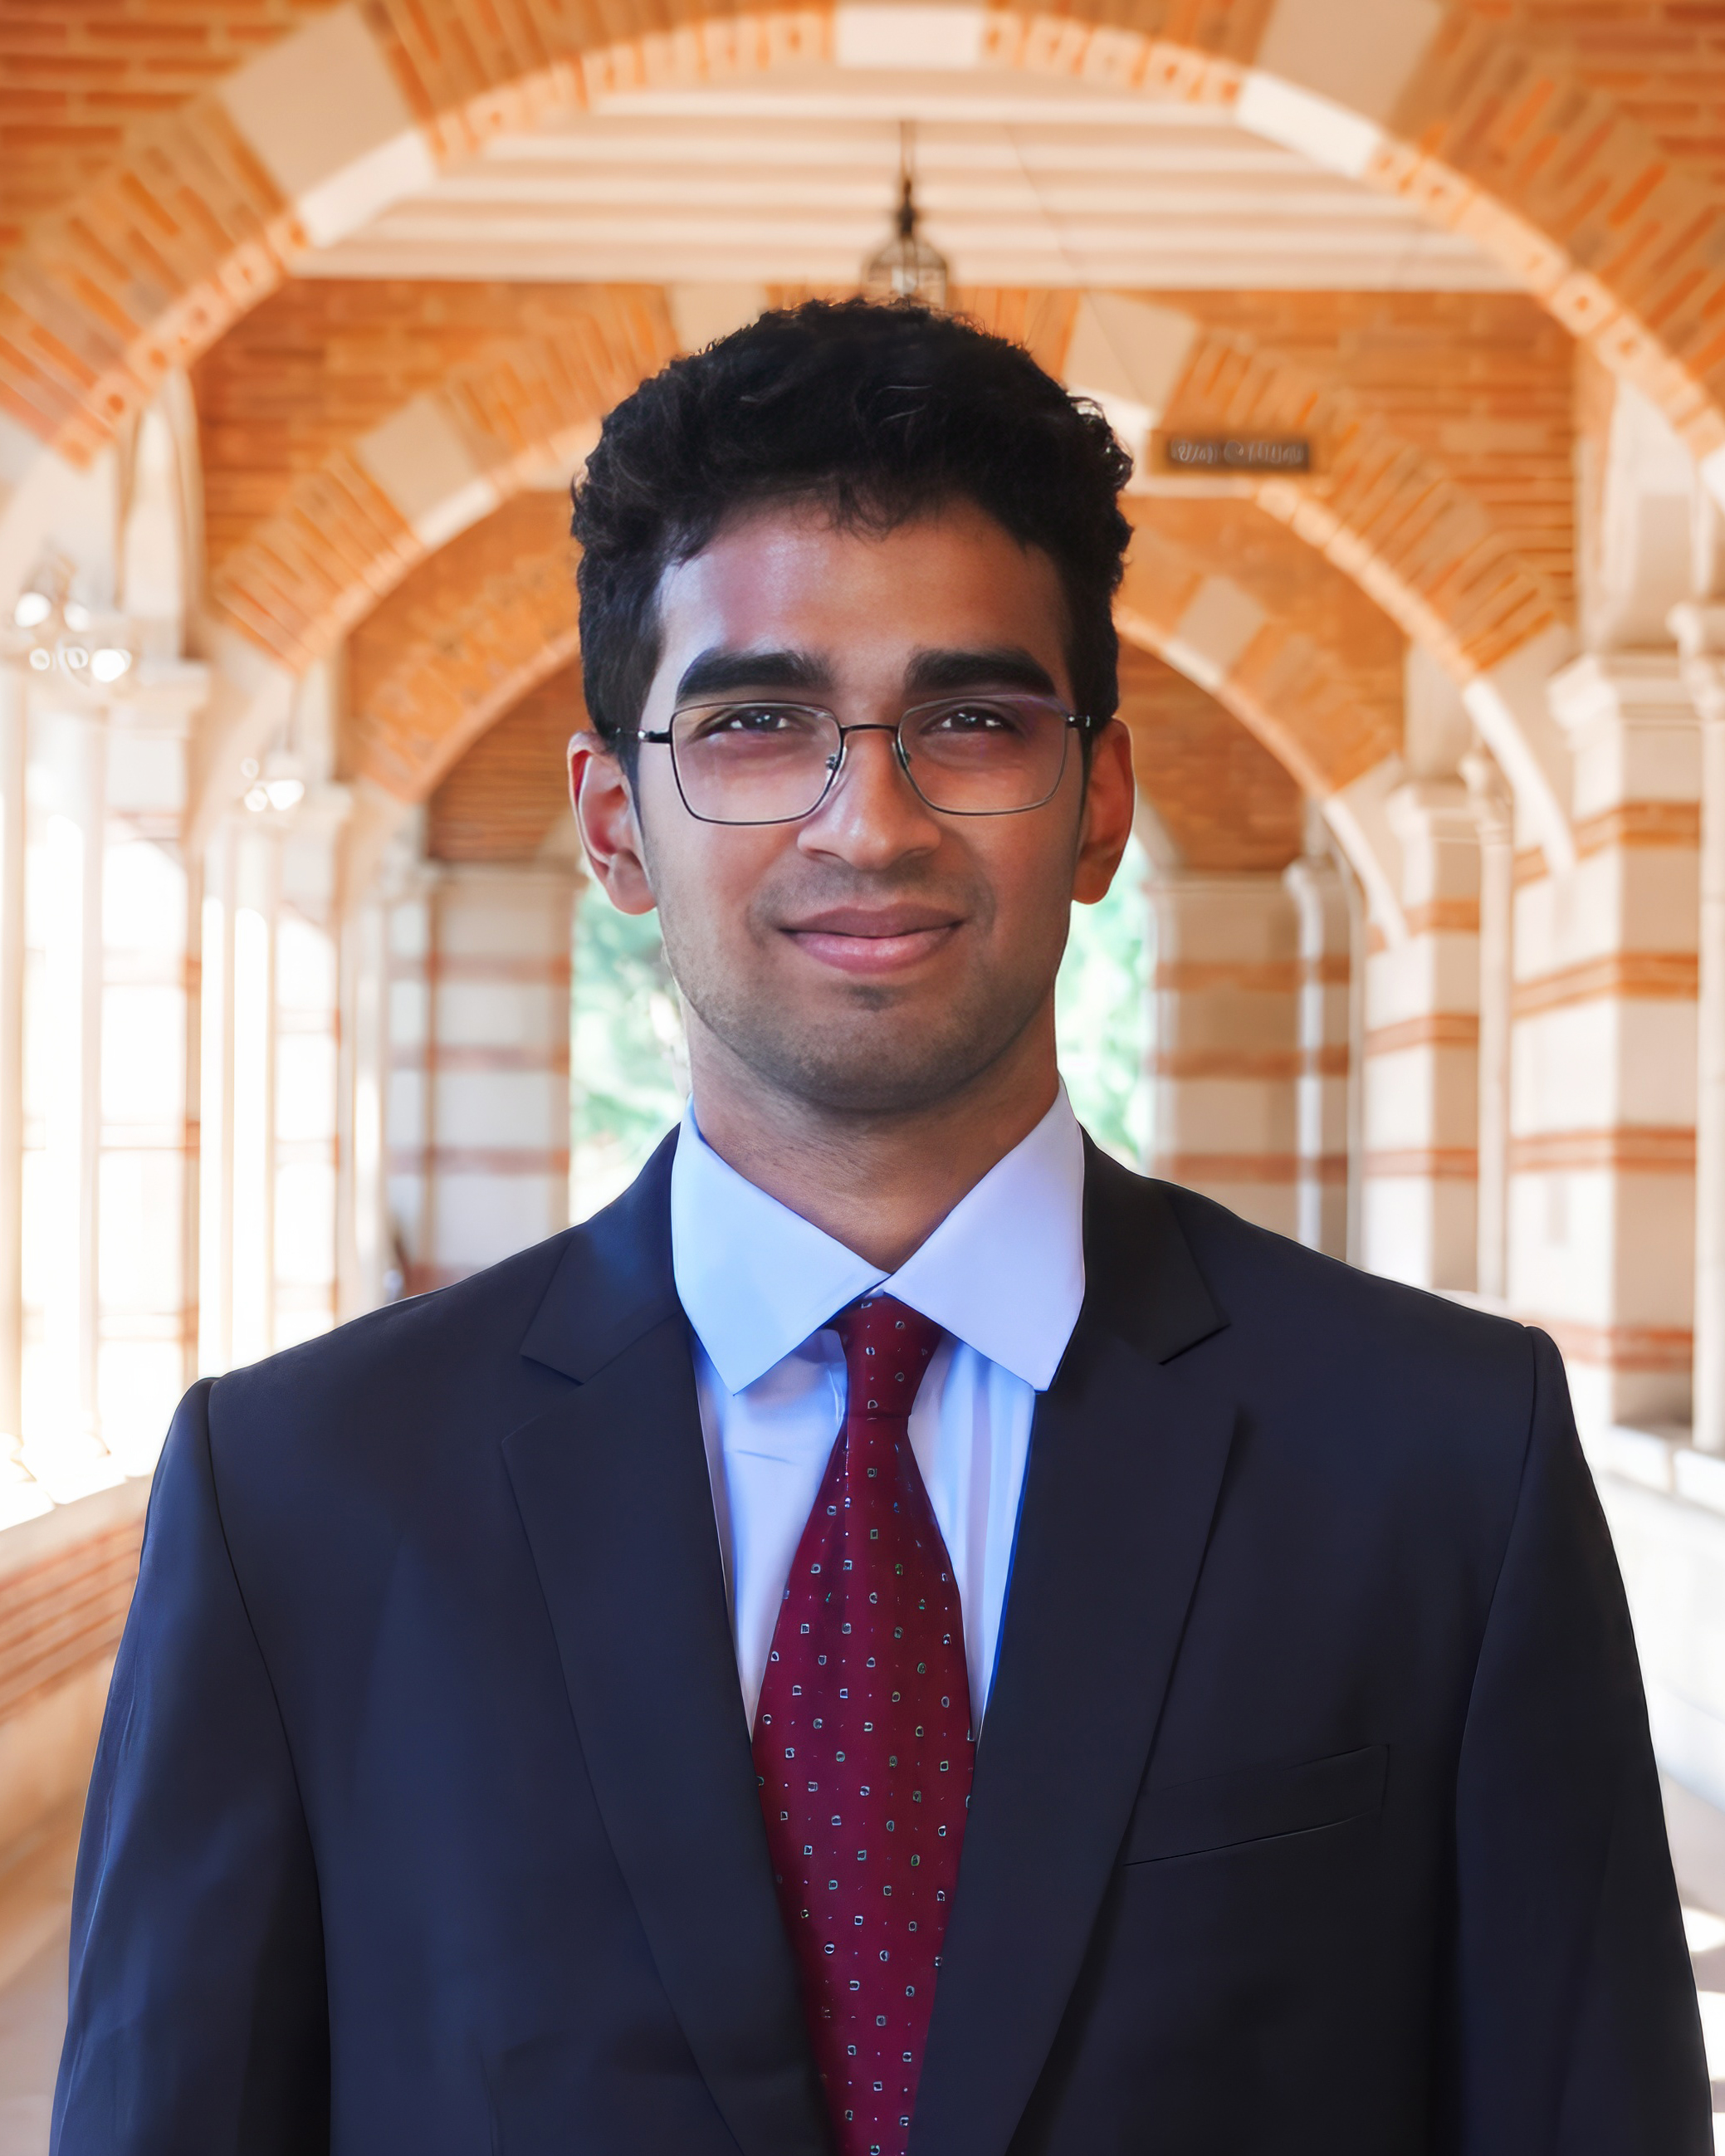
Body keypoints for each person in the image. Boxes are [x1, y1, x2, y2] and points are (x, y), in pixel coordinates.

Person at [53, 300, 1708, 2155]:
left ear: (1098, 802)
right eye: (759, 724)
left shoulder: (1437, 1465)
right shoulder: (301, 1503)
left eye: (971, 719)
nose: (872, 820)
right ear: (614, 825)